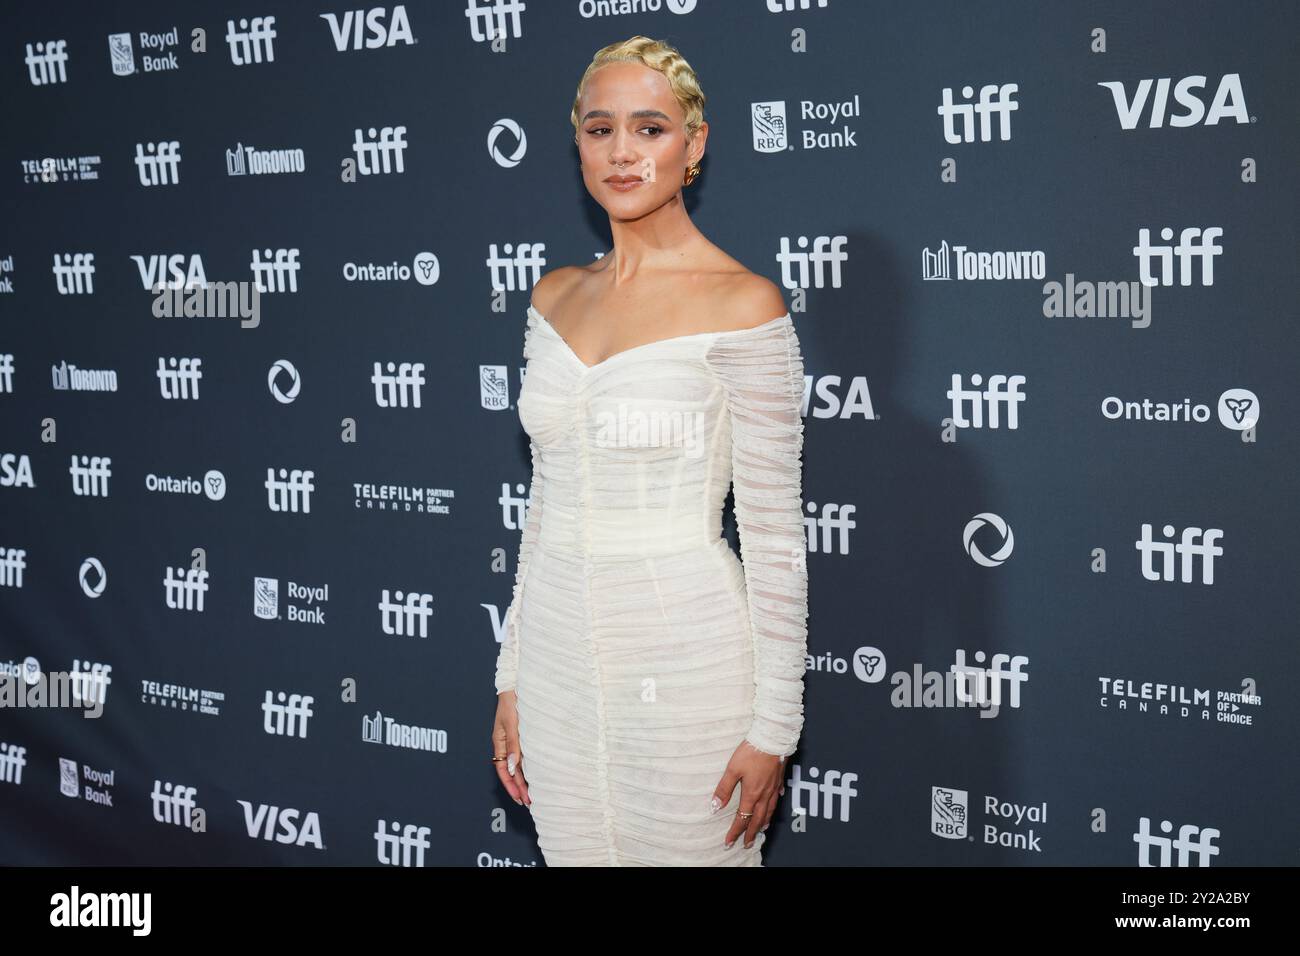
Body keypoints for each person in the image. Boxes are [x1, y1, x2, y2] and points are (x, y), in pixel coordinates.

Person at [490, 35, 809, 866]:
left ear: (693, 145)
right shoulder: (553, 295)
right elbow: (544, 505)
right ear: (578, 147)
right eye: (600, 131)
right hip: (556, 660)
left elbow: (775, 536)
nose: (623, 153)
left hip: (688, 662)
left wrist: (774, 727)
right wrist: (512, 673)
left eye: (650, 129)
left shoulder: (744, 304)